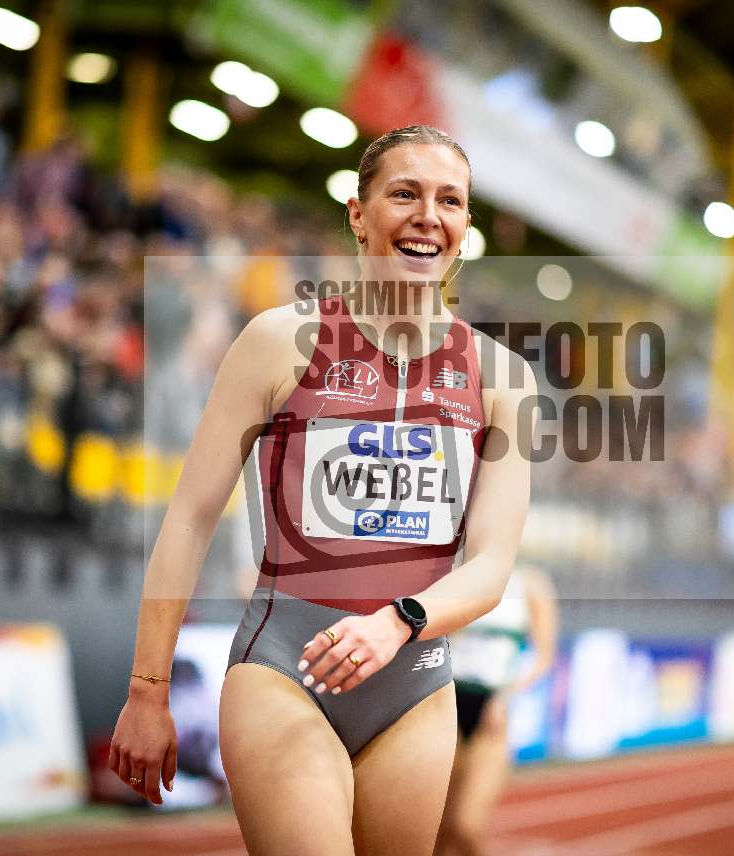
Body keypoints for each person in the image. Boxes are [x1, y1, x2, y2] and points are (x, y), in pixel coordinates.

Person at [109, 124, 535, 856]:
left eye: (450, 200)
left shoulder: (503, 380)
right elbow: (189, 517)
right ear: (358, 213)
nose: (428, 215)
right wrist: (147, 689)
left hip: (415, 684)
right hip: (284, 668)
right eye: (405, 193)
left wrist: (399, 621)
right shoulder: (279, 342)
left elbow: (492, 565)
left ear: (465, 227)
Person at [436, 565, 558, 856]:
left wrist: (506, 696)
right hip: (445, 704)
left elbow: (543, 657)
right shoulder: (450, 576)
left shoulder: (531, 583)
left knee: (466, 827)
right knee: (435, 835)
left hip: (492, 713)